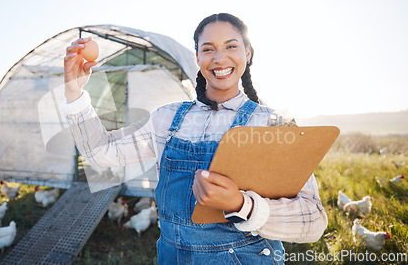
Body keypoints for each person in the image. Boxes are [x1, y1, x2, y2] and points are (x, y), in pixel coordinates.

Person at [61, 13, 327, 264]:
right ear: (197, 58)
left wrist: (241, 205)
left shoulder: (272, 125)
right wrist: (74, 91)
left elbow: (313, 221)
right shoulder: (166, 119)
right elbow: (101, 151)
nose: (220, 58)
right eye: (208, 49)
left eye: (231, 46)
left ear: (247, 52)